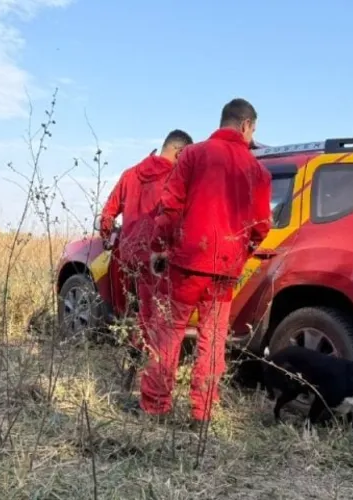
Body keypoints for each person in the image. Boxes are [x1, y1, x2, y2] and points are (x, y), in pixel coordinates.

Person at [135, 98, 272, 424]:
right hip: (225, 269)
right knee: (213, 342)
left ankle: (155, 407)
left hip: (185, 263)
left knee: (167, 335)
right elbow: (261, 227)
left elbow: (171, 207)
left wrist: (159, 246)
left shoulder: (193, 155)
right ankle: (202, 412)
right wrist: (242, 252)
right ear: (246, 125)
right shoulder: (258, 171)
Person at [96, 130, 193, 385]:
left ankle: (130, 371)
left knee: (136, 312)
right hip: (157, 260)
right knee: (155, 318)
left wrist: (109, 242)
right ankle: (150, 378)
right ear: (180, 153)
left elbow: (106, 216)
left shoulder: (130, 174)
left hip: (127, 258)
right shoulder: (176, 178)